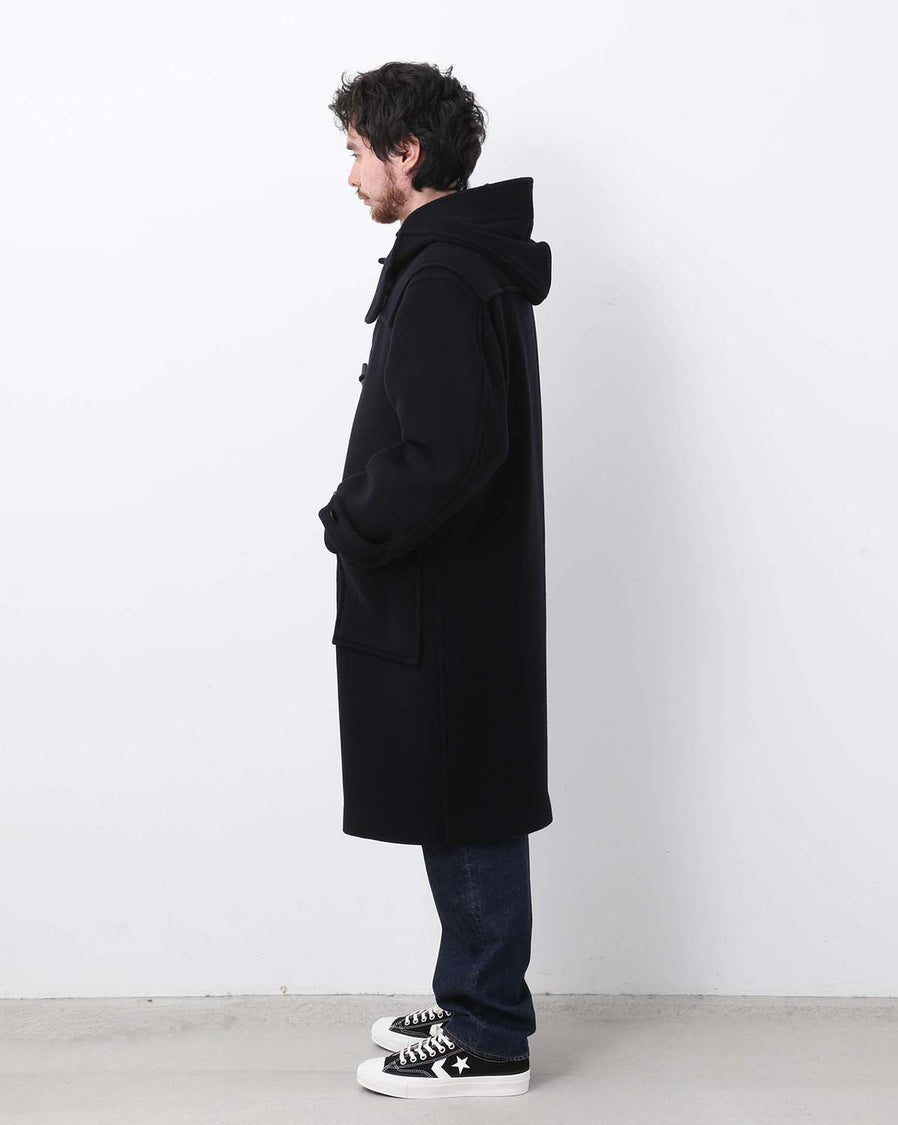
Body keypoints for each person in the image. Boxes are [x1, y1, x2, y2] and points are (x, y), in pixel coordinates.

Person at [317, 61, 553, 1099]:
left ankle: (489, 1032)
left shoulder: (447, 275)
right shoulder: (460, 262)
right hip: (457, 595)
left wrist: (351, 521)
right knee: (462, 791)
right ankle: (471, 993)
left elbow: (449, 452)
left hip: (444, 599)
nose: (351, 175)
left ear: (405, 154)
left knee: (466, 801)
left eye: (358, 152)